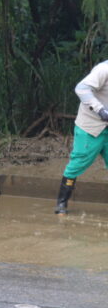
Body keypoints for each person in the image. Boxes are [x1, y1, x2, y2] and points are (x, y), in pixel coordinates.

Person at [55, 61, 108, 214]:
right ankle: (61, 204)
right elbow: (81, 88)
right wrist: (100, 110)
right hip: (90, 127)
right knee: (78, 163)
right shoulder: (104, 70)